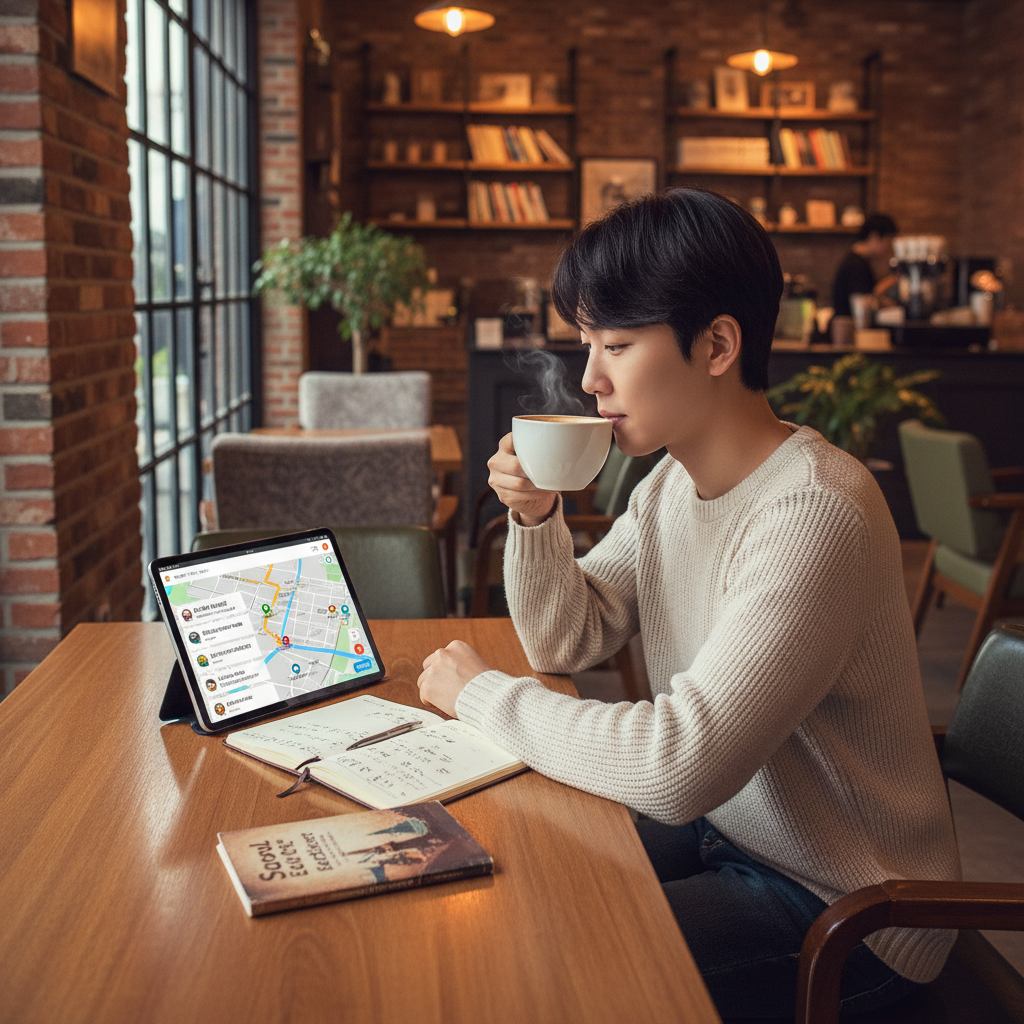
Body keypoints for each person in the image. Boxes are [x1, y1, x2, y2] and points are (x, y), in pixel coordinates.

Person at [417, 188, 960, 1019]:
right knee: (513, 865)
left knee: (543, 961)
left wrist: (483, 696)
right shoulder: (672, 482)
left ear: (716, 344)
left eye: (617, 345)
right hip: (735, 829)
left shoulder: (812, 512)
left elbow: (676, 765)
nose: (590, 378)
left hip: (849, 908)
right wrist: (537, 516)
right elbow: (570, 637)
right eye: (587, 345)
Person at [831, 212, 900, 318]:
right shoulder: (856, 265)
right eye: (889, 240)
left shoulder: (857, 261)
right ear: (874, 236)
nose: (890, 247)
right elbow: (864, 304)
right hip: (851, 329)